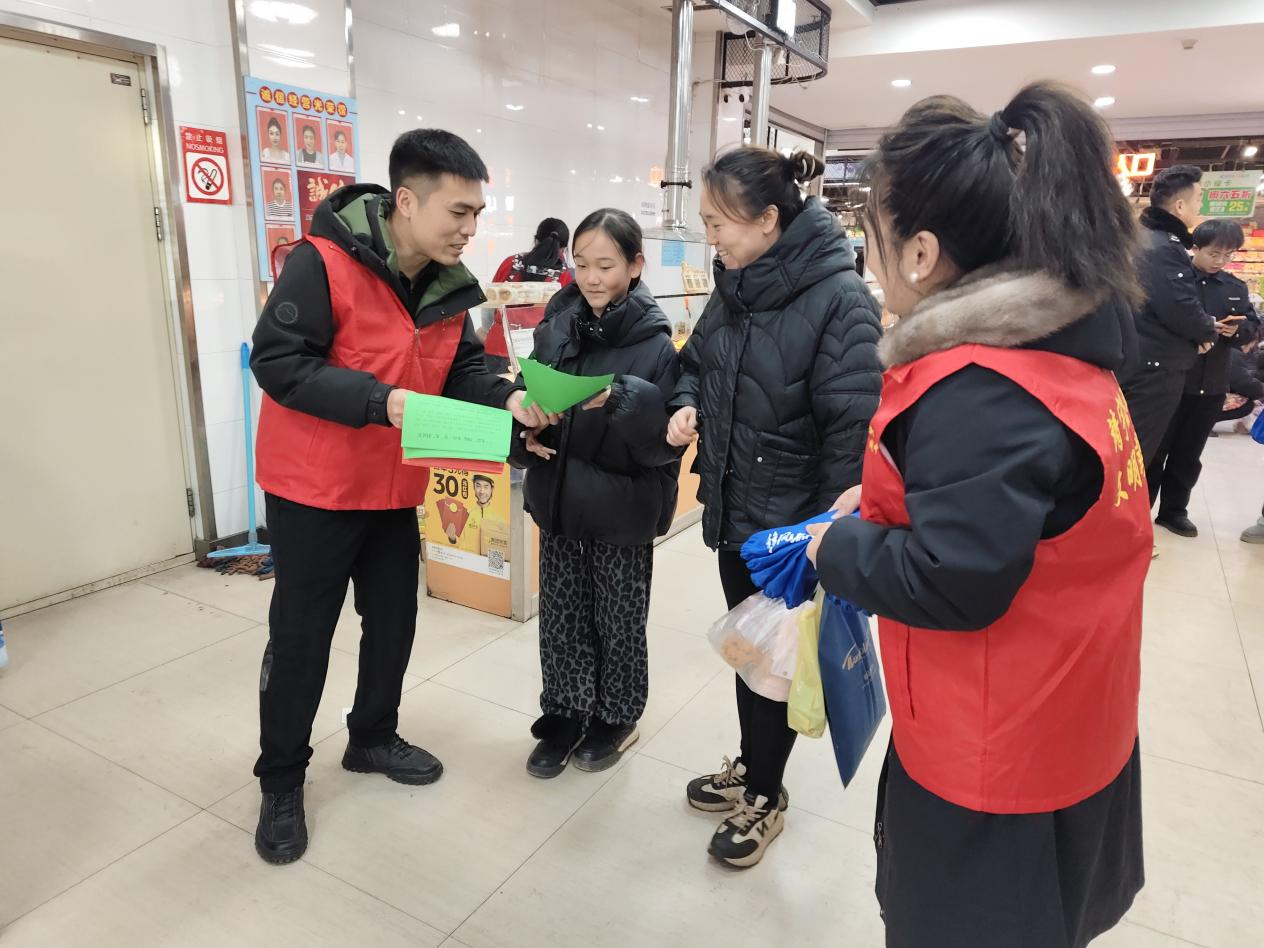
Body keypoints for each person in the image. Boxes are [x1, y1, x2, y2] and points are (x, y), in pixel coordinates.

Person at [804, 83, 1148, 948]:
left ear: (921, 253)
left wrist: (837, 547)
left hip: (997, 760)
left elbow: (954, 581)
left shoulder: (980, 389)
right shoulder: (1061, 353)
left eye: (874, 237)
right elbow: (1027, 519)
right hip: (1069, 715)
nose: (870, 259)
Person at [248, 129, 553, 866]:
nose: (469, 229)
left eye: (477, 214)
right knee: (302, 637)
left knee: (392, 621)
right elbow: (279, 361)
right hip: (315, 489)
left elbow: (463, 372)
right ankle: (281, 778)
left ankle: (372, 736)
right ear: (406, 202)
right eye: (458, 212)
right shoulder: (322, 264)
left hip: (393, 487)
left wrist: (509, 398)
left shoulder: (449, 287)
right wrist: (379, 400)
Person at [666, 147, 883, 868]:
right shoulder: (735, 286)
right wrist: (686, 405)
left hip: (793, 533)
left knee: (774, 667)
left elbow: (852, 434)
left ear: (767, 218)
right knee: (748, 651)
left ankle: (765, 793)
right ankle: (753, 766)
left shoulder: (840, 300)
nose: (710, 239)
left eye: (717, 223)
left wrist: (824, 540)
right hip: (734, 509)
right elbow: (693, 365)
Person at [513, 208, 682, 778]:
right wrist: (525, 426)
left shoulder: (655, 344)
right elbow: (527, 390)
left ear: (635, 266)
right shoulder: (556, 325)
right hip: (558, 497)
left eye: (605, 265)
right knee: (561, 615)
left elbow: (662, 446)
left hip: (622, 508)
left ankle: (617, 714)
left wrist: (618, 399)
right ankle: (564, 710)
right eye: (581, 264)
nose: (590, 278)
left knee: (618, 618)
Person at [1149, 220, 1258, 537]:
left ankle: (1174, 512)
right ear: (1195, 248)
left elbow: (1251, 327)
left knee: (1188, 454)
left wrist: (1237, 331)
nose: (1220, 261)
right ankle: (1139, 510)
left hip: (1212, 384)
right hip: (1170, 379)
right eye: (1213, 253)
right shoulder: (1176, 282)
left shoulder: (1235, 288)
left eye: (1228, 254)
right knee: (1154, 452)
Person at [1120, 165, 1218, 467]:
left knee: (1129, 444)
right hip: (1156, 367)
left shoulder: (1143, 239)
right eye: (1198, 199)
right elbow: (1178, 305)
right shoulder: (1164, 246)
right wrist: (1207, 331)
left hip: (1140, 357)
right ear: (1179, 205)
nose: (1200, 206)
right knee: (1136, 452)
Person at [482, 217, 575, 370]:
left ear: (536, 240)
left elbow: (489, 307)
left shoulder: (510, 263)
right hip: (538, 355)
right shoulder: (567, 277)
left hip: (497, 349)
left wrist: (488, 333)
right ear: (563, 248)